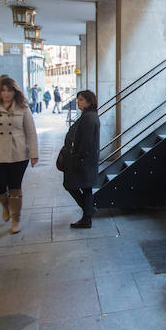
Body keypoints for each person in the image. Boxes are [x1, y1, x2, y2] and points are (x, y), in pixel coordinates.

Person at [0, 76, 39, 234]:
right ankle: (6, 206)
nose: (6, 93)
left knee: (15, 189)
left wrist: (34, 153)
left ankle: (15, 219)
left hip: (18, 154)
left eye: (10, 90)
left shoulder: (23, 107)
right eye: (3, 90)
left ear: (15, 91)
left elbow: (31, 131)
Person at [62, 90, 100, 228]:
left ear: (90, 101)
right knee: (86, 188)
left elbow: (86, 142)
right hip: (85, 160)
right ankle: (87, 216)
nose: (78, 102)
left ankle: (88, 214)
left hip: (83, 161)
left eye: (82, 99)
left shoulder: (89, 118)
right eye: (78, 99)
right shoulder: (88, 115)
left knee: (71, 185)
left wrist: (77, 158)